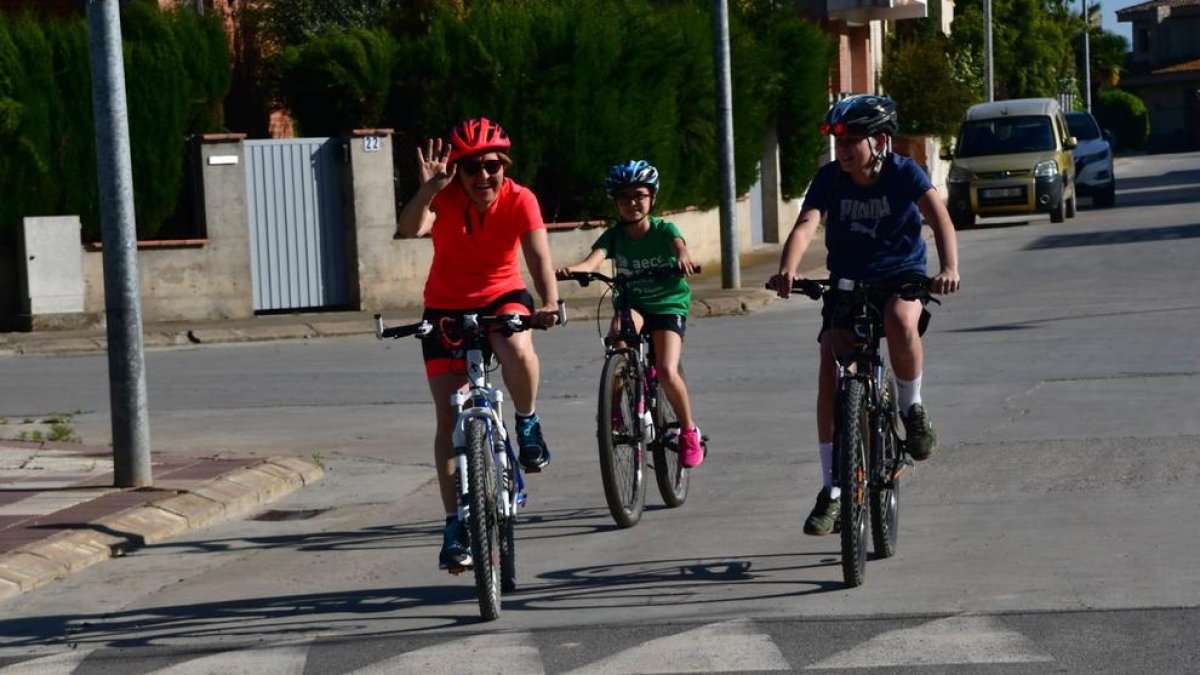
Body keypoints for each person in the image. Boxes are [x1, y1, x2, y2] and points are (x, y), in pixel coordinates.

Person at [767, 95, 960, 536]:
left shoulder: (904, 173)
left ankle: (911, 408)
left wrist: (948, 268)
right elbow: (806, 223)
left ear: (881, 141)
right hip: (849, 282)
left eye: (853, 141)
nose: (844, 151)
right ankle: (833, 489)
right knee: (830, 369)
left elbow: (940, 219)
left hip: (901, 276)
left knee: (900, 321)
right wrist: (787, 270)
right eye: (839, 142)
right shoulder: (830, 179)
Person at [396, 117, 561, 570]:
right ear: (458, 171)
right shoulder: (444, 198)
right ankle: (454, 523)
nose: (483, 176)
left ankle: (527, 423)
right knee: (448, 417)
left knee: (518, 348)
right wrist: (429, 189)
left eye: (491, 166)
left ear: (503, 165)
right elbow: (409, 229)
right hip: (444, 305)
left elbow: (538, 256)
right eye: (471, 168)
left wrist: (549, 301)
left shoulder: (520, 198)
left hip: (502, 294)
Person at [556, 160, 705, 468]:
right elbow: (593, 260)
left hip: (667, 304)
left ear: (651, 198)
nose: (632, 203)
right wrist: (575, 270)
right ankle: (614, 412)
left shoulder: (664, 229)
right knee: (617, 343)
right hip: (633, 304)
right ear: (616, 202)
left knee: (666, 369)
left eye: (639, 195)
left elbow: (680, 247)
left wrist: (683, 258)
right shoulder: (615, 236)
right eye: (624, 198)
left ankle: (688, 431)